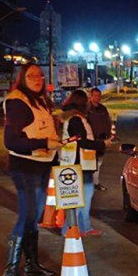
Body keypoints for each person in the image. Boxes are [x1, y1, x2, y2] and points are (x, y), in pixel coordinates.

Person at [1, 63, 63, 276]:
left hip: (41, 165)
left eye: (40, 75)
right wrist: (44, 142)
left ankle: (32, 264)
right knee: (26, 215)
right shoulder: (18, 102)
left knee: (35, 215)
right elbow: (11, 141)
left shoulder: (40, 100)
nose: (37, 79)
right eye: (31, 76)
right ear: (22, 78)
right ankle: (10, 271)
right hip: (25, 167)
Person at [59, 90, 111, 237]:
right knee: (81, 198)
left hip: (77, 164)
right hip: (79, 164)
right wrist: (102, 144)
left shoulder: (74, 118)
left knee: (80, 198)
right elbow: (81, 141)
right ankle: (72, 229)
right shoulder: (76, 119)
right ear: (82, 103)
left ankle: (81, 228)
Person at [86, 88, 112, 192]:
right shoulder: (87, 109)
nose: (98, 97)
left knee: (99, 163)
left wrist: (108, 135)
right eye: (95, 95)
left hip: (102, 140)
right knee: (90, 163)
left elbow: (107, 122)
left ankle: (95, 183)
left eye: (99, 95)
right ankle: (89, 185)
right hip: (91, 141)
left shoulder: (103, 109)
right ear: (91, 96)